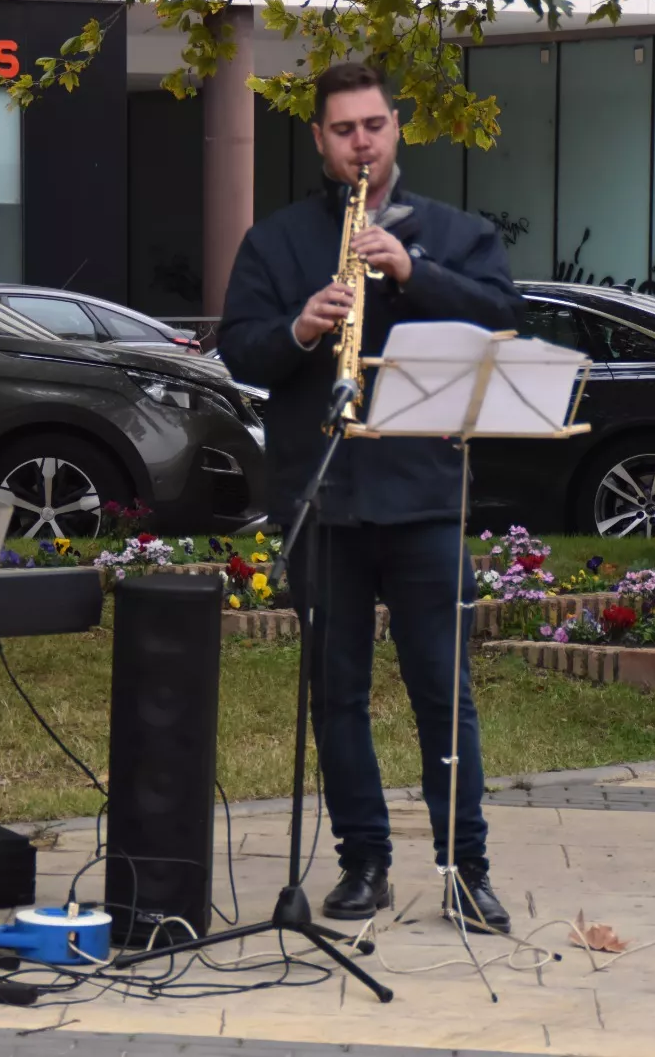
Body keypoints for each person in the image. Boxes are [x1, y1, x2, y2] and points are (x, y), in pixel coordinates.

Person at [215, 63, 524, 933]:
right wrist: (300, 328)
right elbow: (239, 352)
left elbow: (505, 318)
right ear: (319, 140)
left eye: (374, 126)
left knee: (442, 689)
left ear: (397, 131)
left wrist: (411, 271)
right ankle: (363, 863)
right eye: (344, 129)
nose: (361, 143)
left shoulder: (456, 235)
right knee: (337, 693)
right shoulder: (276, 242)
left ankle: (467, 868)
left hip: (424, 497)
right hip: (325, 498)